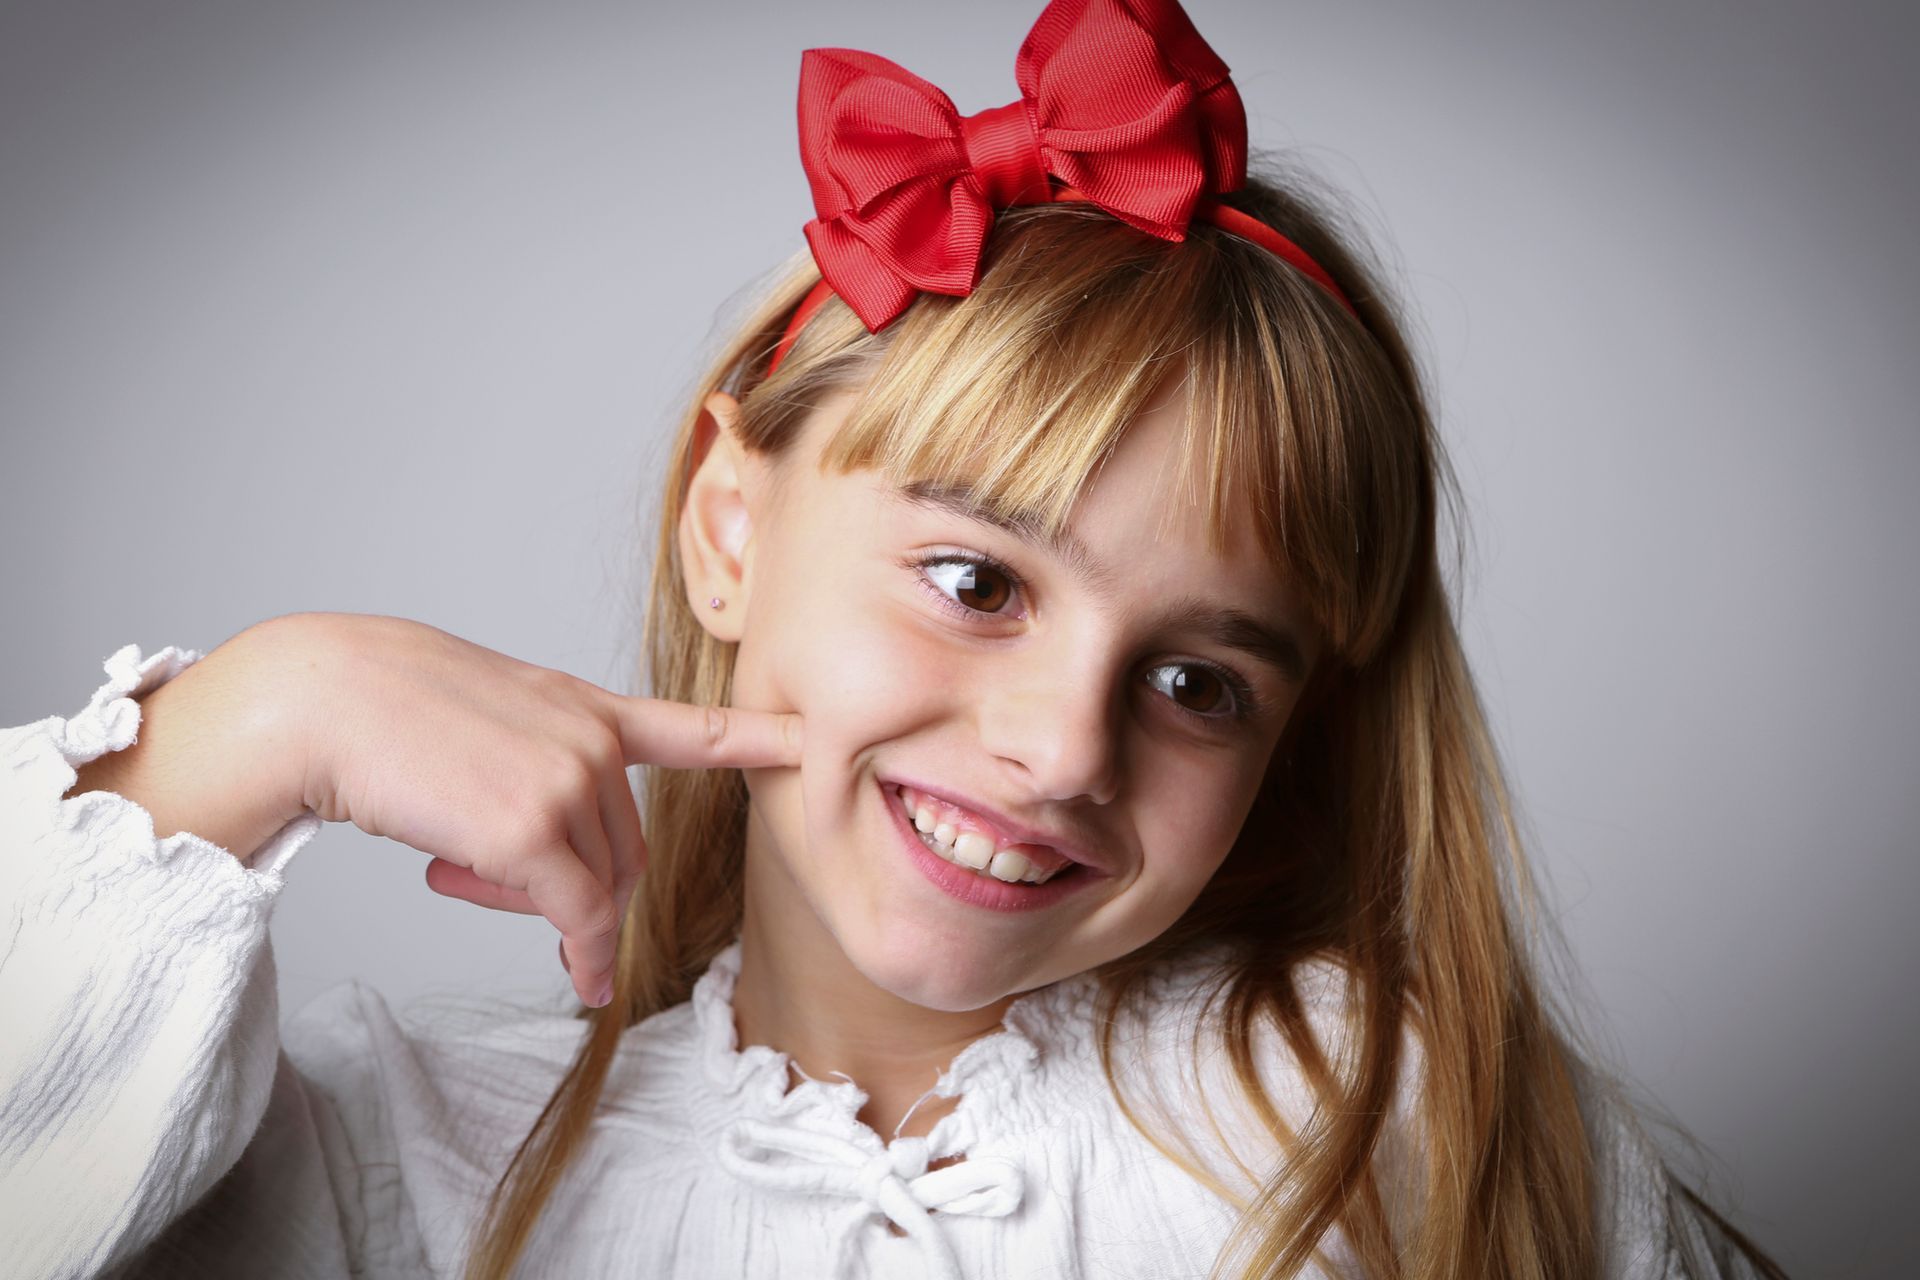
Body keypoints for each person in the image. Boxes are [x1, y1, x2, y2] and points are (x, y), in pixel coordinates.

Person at [0, 0, 1791, 1276]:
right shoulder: (382, 1156)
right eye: (977, 581)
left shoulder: (1374, 1121)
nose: (1066, 748)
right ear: (729, 527)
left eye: (1197, 682)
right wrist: (248, 727)